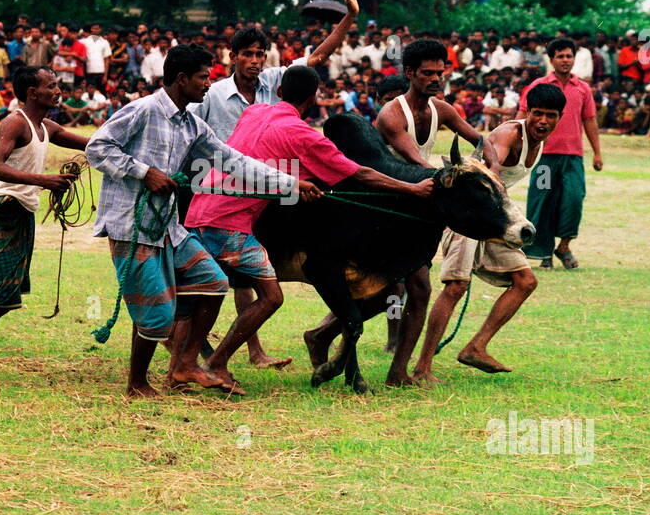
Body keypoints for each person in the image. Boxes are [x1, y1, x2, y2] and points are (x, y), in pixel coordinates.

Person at [183, 65, 431, 390]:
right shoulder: (304, 136)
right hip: (231, 222)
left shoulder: (255, 111)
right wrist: (411, 189)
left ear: (280, 92)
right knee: (270, 297)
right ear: (315, 98)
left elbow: (263, 158)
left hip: (198, 209)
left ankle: (184, 366)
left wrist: (295, 182)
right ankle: (216, 364)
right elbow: (359, 174)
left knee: (194, 291)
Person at [85, 44, 313, 398]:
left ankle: (185, 365)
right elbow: (97, 148)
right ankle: (137, 383)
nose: (209, 84)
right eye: (203, 77)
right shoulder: (143, 110)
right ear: (181, 79)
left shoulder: (194, 125)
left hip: (167, 226)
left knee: (212, 279)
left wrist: (289, 184)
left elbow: (234, 162)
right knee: (156, 314)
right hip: (132, 226)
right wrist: (145, 173)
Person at [187, 0, 363, 368]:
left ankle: (240, 348)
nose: (255, 61)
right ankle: (249, 350)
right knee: (241, 268)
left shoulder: (274, 82)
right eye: (247, 54)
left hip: (277, 184)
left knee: (269, 258)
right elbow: (192, 135)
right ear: (231, 57)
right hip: (225, 187)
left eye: (260, 54)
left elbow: (316, 59)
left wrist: (350, 16)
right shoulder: (212, 94)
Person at [0, 67, 90, 382]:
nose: (57, 91)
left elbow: (89, 144)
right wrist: (44, 180)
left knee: (1, 295)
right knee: (3, 295)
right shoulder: (15, 122)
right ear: (32, 93)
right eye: (51, 86)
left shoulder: (45, 125)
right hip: (0, 211)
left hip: (21, 212)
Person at [412, 83, 563, 379]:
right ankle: (421, 368)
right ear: (527, 112)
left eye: (551, 115)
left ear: (560, 118)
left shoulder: (540, 141)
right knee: (455, 286)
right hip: (470, 216)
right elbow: (483, 170)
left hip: (494, 219)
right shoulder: (510, 134)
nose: (543, 121)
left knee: (525, 281)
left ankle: (476, 347)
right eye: (537, 114)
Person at [373, 37, 494, 383]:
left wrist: (492, 167)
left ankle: (400, 371)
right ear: (409, 72)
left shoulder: (443, 109)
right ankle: (324, 336)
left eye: (440, 73)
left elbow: (481, 141)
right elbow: (415, 160)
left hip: (420, 206)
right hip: (389, 206)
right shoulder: (391, 114)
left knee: (416, 289)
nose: (435, 79)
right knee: (382, 289)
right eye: (427, 73)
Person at [519, 37, 603, 270]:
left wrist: (597, 153)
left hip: (572, 157)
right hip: (544, 158)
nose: (565, 60)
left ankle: (564, 246)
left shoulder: (583, 89)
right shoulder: (538, 87)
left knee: (574, 199)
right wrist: (519, 149)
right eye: (560, 56)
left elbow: (590, 120)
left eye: (569, 56)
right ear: (551, 59)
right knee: (543, 200)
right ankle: (544, 252)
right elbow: (522, 116)